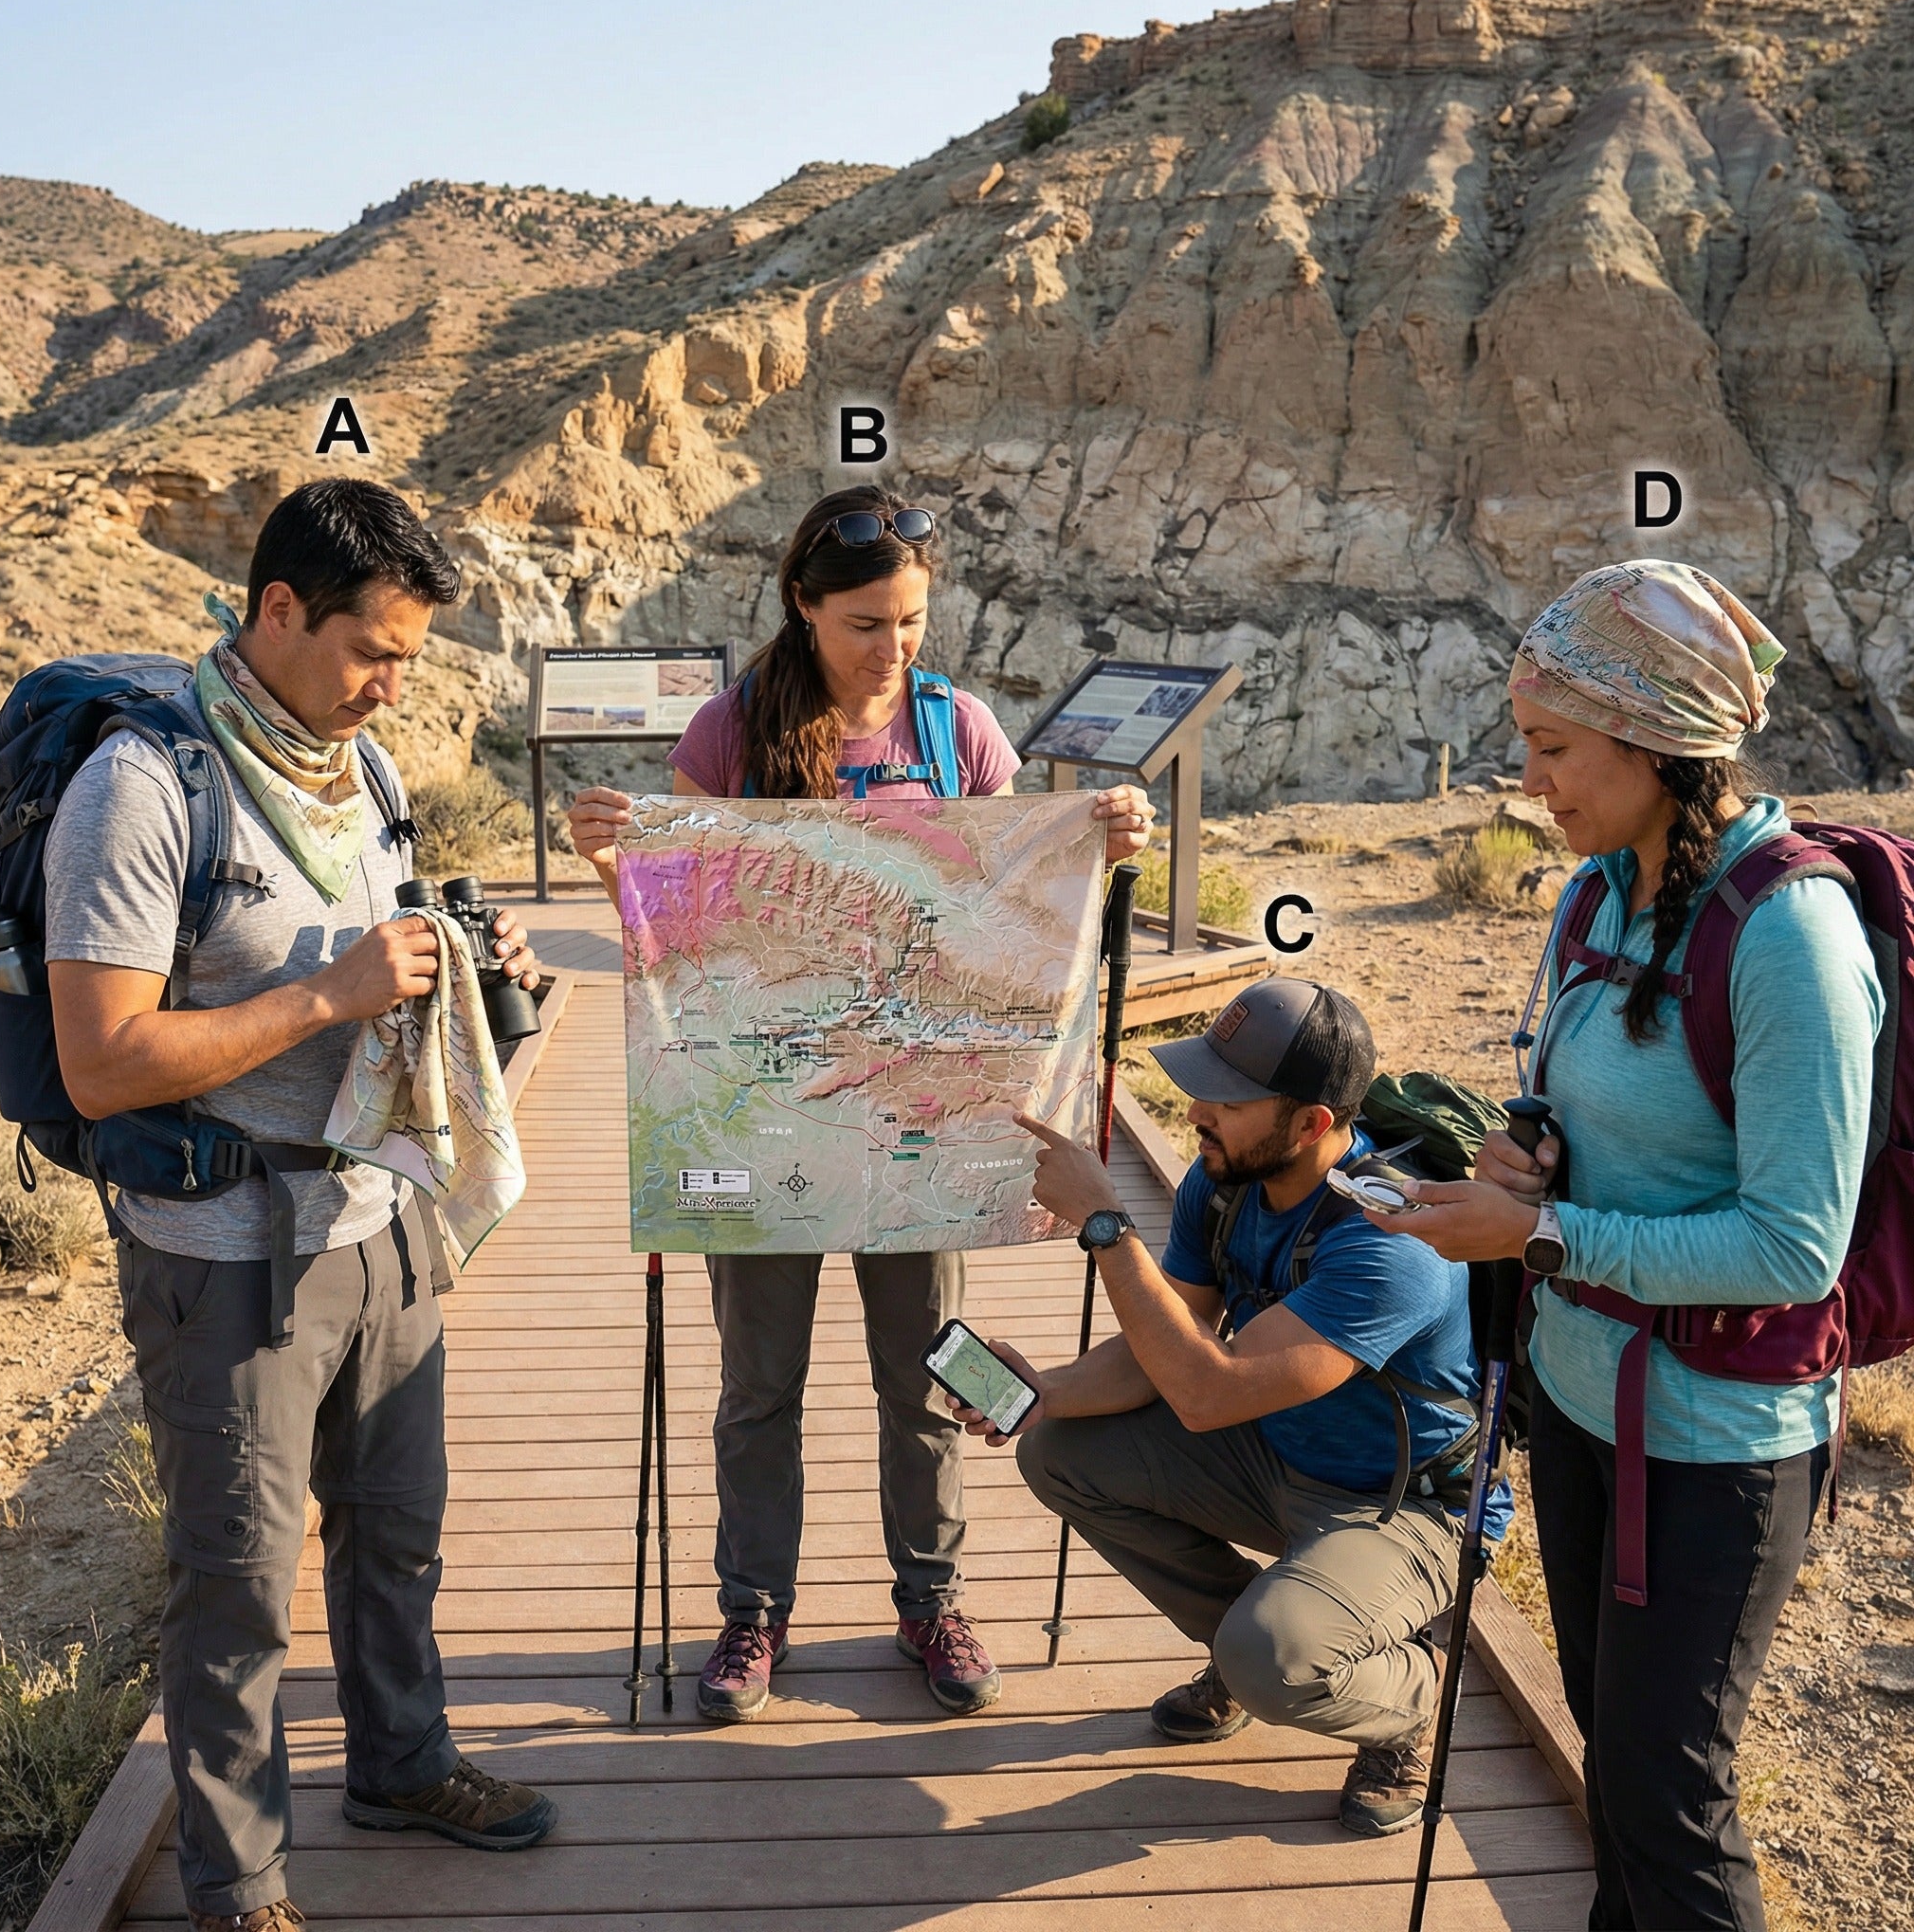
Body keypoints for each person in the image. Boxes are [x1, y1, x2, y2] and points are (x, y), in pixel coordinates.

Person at [44, 480, 556, 1932]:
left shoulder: (363, 766)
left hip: (380, 1220)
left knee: (397, 1533)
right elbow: (100, 1062)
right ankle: (239, 1881)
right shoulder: (144, 790)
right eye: (370, 651)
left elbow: (381, 946)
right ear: (276, 610)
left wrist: (473, 957)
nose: (392, 685)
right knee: (239, 1586)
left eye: (406, 657)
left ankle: (400, 1765)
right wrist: (327, 991)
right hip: (228, 1257)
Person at [566, 483, 1155, 1722]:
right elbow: (680, 903)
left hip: (923, 1116)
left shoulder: (960, 731)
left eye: (913, 622)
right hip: (764, 1108)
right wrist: (613, 855)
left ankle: (930, 1599)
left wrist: (1102, 843)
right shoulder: (731, 732)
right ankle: (752, 1616)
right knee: (758, 1385)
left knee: (927, 1373)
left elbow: (1016, 892)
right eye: (867, 626)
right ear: (804, 607)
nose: (895, 652)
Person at [1371, 560, 1880, 1930]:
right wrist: (1525, 1158)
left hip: (1717, 1442)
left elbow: (1791, 1250)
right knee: (1621, 1773)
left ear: (1657, 741)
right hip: (1589, 1405)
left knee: (1670, 1795)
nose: (1530, 780)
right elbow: (1592, 1121)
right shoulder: (1598, 895)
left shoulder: (1791, 938)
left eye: (1553, 748)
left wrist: (1537, 1233)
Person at [949, 976, 1508, 1837]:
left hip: (1404, 1507)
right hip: (1277, 1457)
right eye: (1200, 1084)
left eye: (1229, 1098)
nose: (1198, 1111)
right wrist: (1048, 1391)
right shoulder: (1222, 1187)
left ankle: (1407, 1700)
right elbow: (1166, 1348)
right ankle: (1244, 1648)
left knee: (1277, 1658)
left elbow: (1208, 1395)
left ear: (1312, 1123)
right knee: (1059, 1448)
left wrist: (1105, 1220)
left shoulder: (1392, 1243)